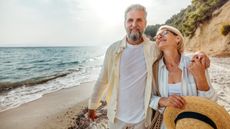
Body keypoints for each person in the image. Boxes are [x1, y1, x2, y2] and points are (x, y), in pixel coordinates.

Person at [88, 4, 210, 129]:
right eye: (130, 20)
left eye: (139, 20)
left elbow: (173, 52)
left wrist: (200, 54)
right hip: (116, 117)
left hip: (143, 119)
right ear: (125, 23)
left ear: (145, 23)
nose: (134, 24)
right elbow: (103, 80)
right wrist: (92, 105)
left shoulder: (154, 48)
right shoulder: (113, 50)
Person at [149, 25, 217, 129]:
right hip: (166, 125)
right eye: (157, 36)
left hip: (195, 124)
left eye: (165, 33)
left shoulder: (195, 62)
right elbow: (147, 98)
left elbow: (210, 101)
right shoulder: (154, 69)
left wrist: (200, 77)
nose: (159, 36)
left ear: (178, 39)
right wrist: (163, 100)